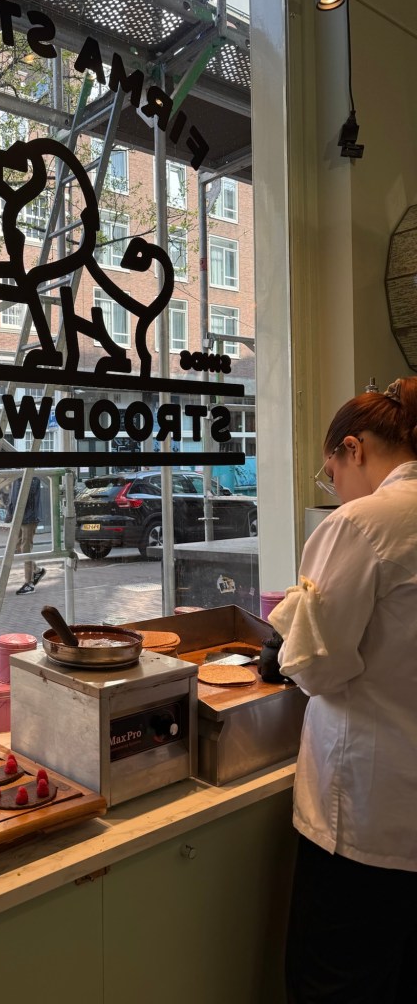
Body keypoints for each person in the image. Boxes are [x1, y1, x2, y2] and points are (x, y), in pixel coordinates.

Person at [268, 377, 417, 1004]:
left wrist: (287, 640)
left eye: (331, 473)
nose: (336, 489)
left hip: (368, 814)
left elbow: (318, 667)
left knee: (332, 981)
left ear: (352, 448)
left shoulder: (363, 522)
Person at [5, 475, 46, 595]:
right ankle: (37, 571)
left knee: (25, 549)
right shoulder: (17, 476)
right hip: (18, 518)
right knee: (16, 548)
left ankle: (29, 584)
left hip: (29, 517)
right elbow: (12, 498)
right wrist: (9, 517)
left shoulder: (32, 478)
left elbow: (27, 497)